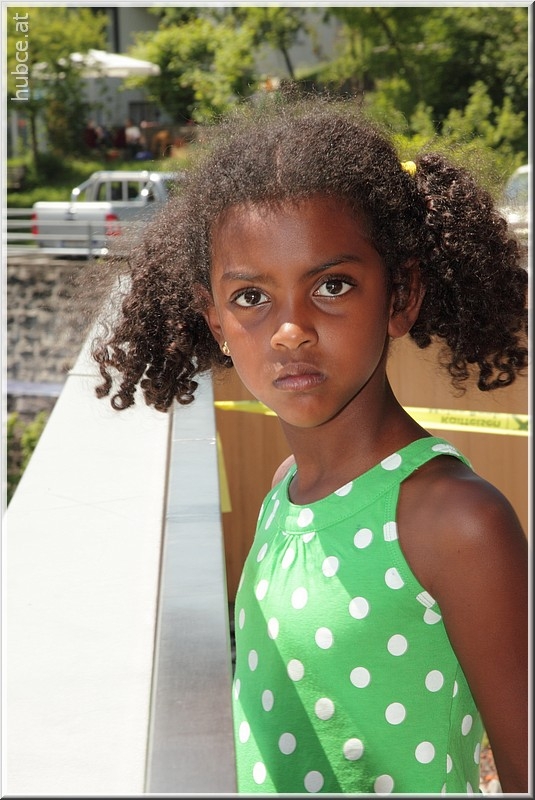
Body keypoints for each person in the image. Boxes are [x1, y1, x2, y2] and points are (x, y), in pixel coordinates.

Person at [90, 96, 528, 794]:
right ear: (214, 318)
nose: (290, 331)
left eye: (331, 285)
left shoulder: (455, 521)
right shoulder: (283, 492)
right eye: (251, 298)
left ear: (400, 297)